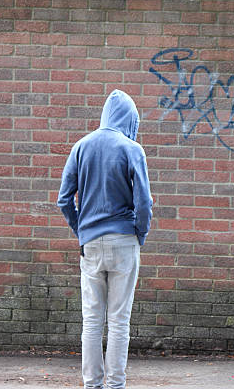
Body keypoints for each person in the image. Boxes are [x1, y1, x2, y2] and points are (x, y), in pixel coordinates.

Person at [57, 89, 153, 389]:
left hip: (91, 245)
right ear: (130, 119)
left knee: (92, 320)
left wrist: (81, 231)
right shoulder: (132, 148)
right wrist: (140, 233)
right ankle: (115, 385)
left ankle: (92, 384)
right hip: (124, 241)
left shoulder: (81, 147)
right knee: (119, 321)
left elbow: (63, 200)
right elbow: (145, 203)